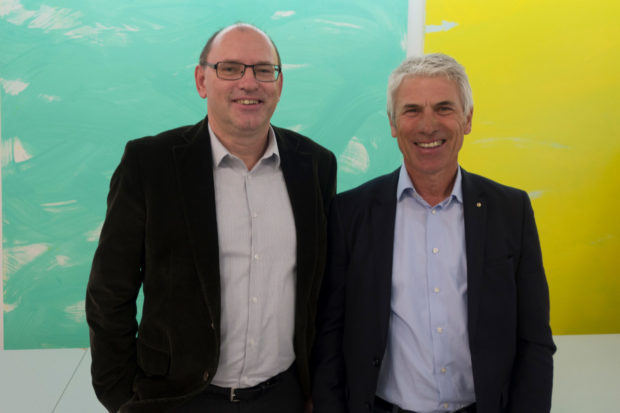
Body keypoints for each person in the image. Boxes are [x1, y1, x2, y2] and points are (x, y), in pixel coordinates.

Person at [86, 23, 336, 413]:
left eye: (263, 70)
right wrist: (121, 396)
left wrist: (317, 388)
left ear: (279, 83)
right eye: (230, 68)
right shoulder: (150, 164)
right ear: (202, 80)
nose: (249, 82)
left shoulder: (316, 165)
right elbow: (109, 292)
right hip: (179, 398)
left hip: (283, 395)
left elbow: (322, 290)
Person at [312, 53, 555, 413]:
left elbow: (534, 340)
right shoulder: (350, 213)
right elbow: (330, 338)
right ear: (393, 123)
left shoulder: (510, 211)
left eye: (444, 108)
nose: (428, 126)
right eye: (412, 110)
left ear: (467, 119)